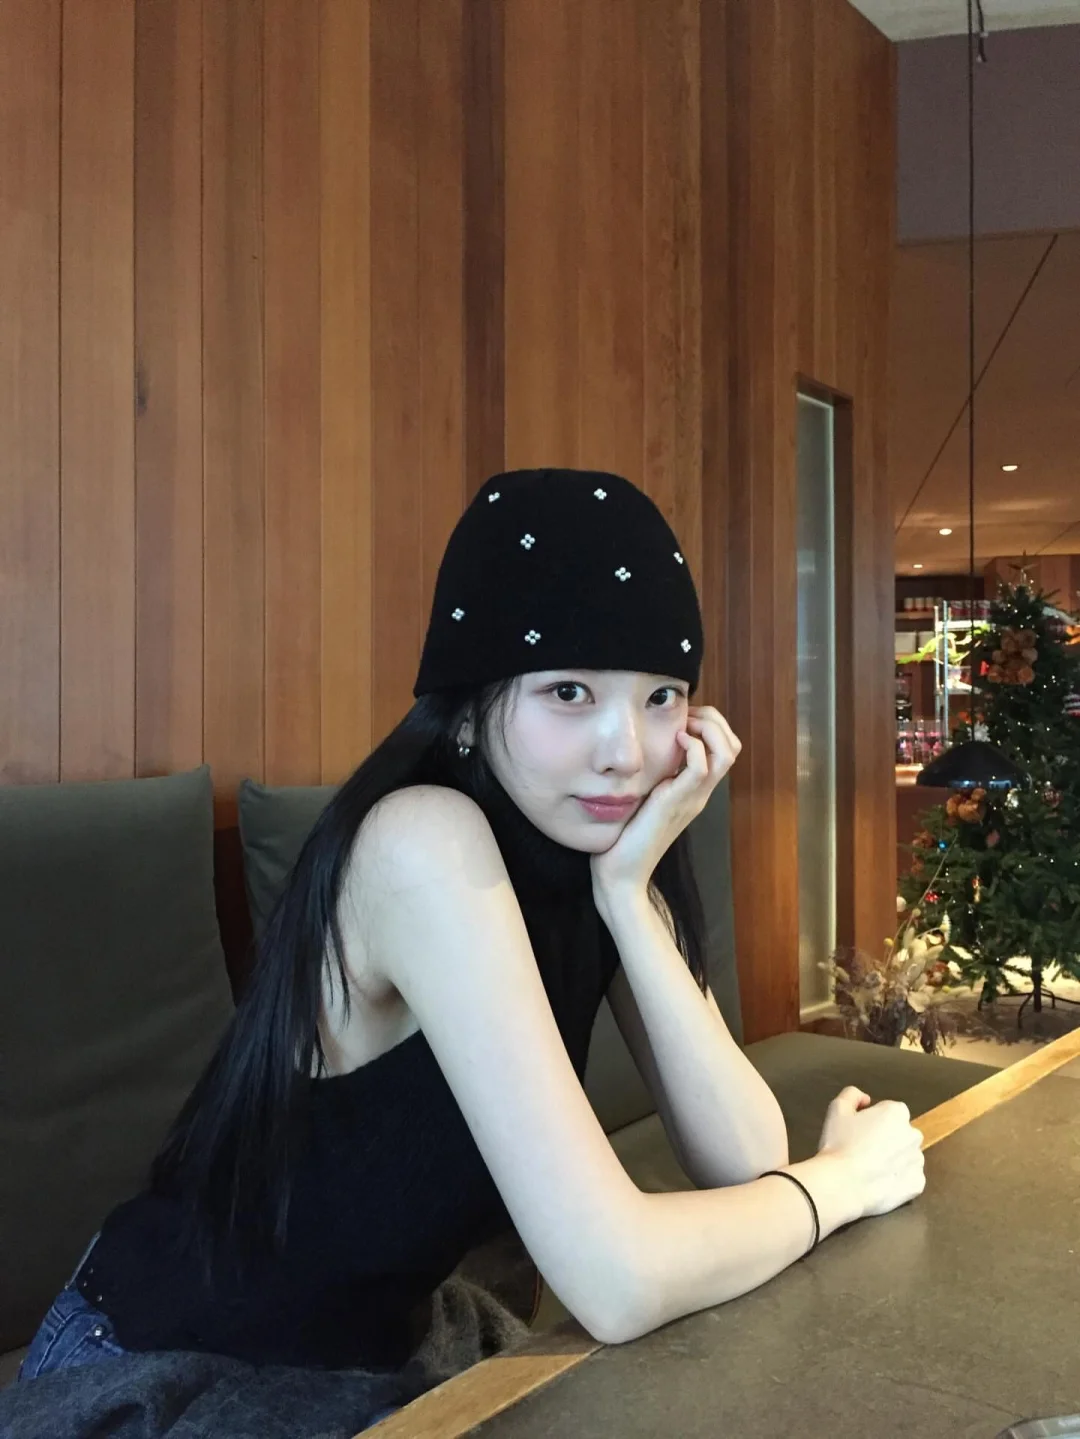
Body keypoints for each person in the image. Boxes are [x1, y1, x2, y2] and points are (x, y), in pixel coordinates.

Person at [10, 469, 924, 1431]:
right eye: (568, 691)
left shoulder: (594, 853)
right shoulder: (422, 841)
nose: (625, 749)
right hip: (165, 1372)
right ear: (470, 700)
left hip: (365, 1357)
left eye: (662, 697)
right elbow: (617, 1278)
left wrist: (627, 894)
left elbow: (746, 1160)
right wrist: (841, 1182)